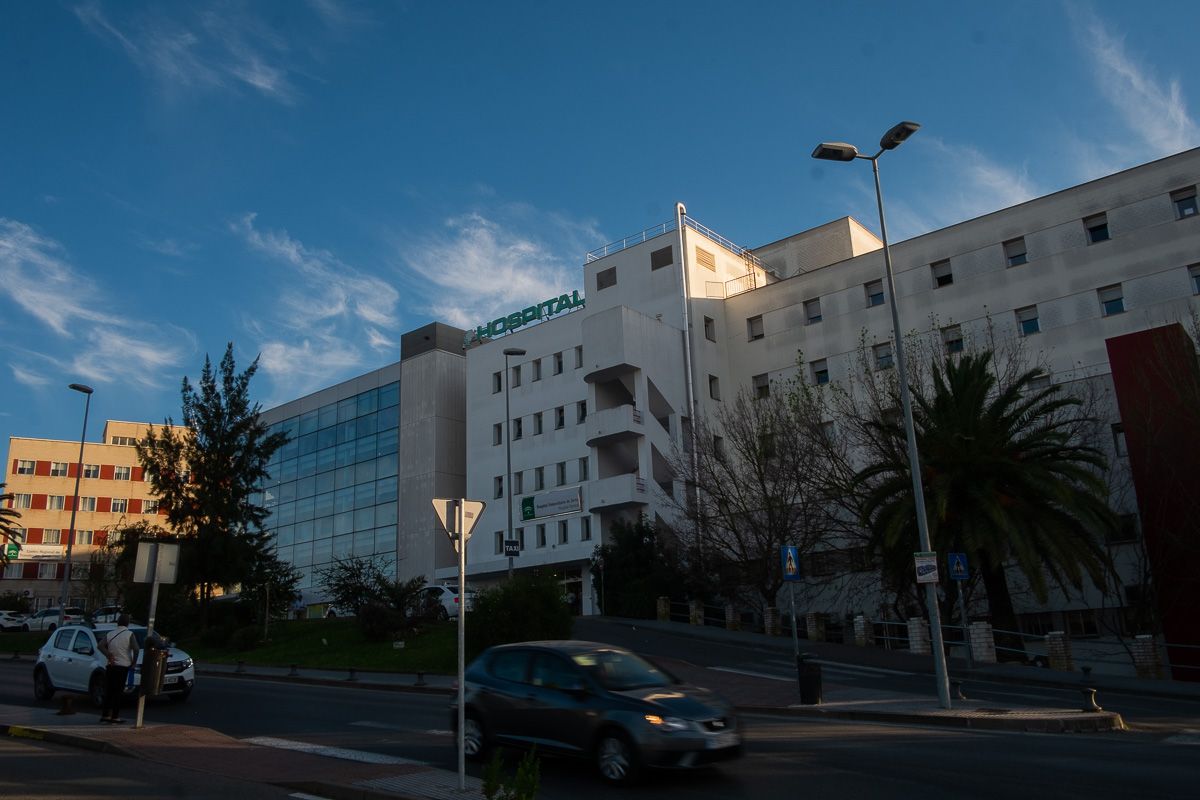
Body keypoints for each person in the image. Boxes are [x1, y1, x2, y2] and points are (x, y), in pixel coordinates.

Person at [97, 614, 139, 724]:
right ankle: (115, 717)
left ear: (118, 622)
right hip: (123, 667)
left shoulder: (110, 634)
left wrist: (108, 655)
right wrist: (134, 662)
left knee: (109, 691)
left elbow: (100, 645)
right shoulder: (129, 634)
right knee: (118, 692)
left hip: (111, 666)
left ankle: (105, 715)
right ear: (128, 623)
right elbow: (136, 649)